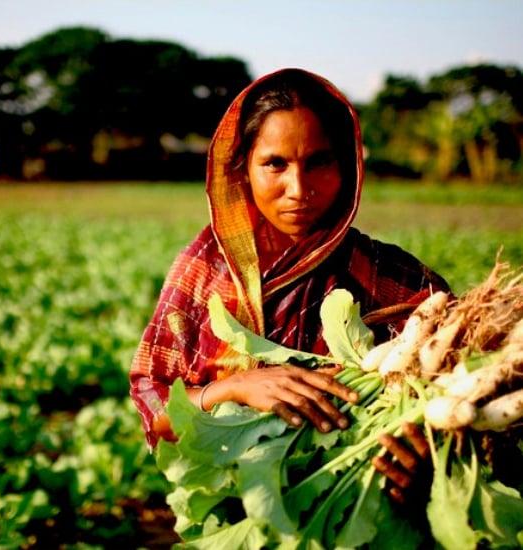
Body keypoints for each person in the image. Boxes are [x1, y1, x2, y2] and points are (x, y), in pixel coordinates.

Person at [128, 68, 449, 505]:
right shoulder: (204, 269)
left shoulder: (405, 285)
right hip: (235, 513)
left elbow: (462, 419)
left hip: (361, 516)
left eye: (318, 162)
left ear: (349, 166)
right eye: (275, 164)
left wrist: (430, 467)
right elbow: (156, 406)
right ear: (242, 169)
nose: (298, 189)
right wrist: (235, 388)